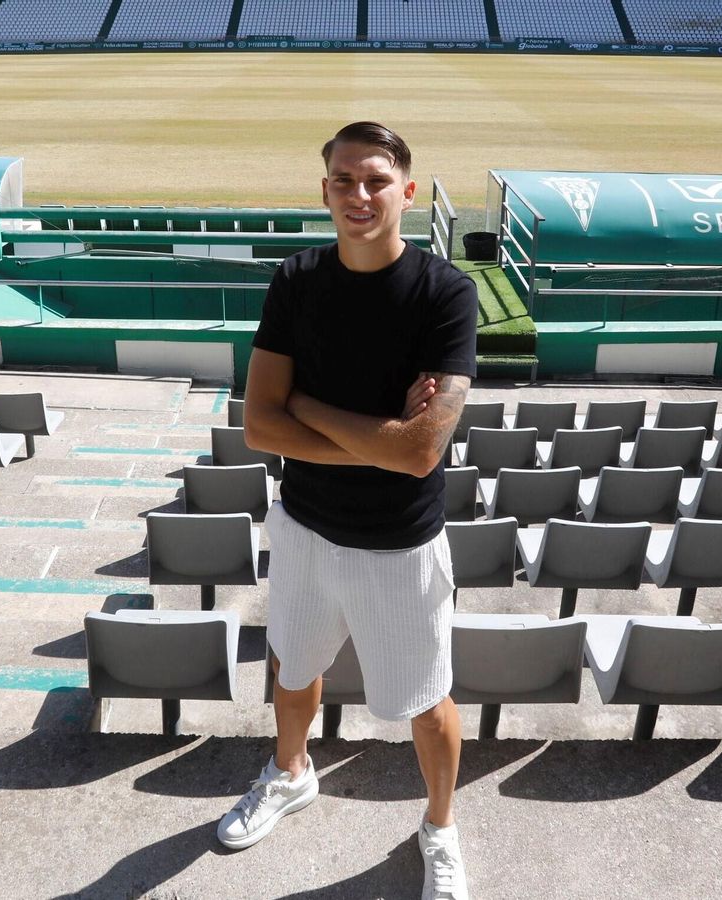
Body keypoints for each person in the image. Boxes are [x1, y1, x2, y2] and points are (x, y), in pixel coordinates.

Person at [216, 121, 478, 900]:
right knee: (294, 672)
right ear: (324, 189)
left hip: (401, 545)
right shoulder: (297, 280)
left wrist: (306, 402)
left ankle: (440, 829)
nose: (357, 196)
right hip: (303, 528)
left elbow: (420, 454)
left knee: (426, 708)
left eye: (374, 180)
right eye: (341, 180)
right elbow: (259, 427)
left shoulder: (445, 293)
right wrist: (381, 434)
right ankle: (291, 773)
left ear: (407, 190)